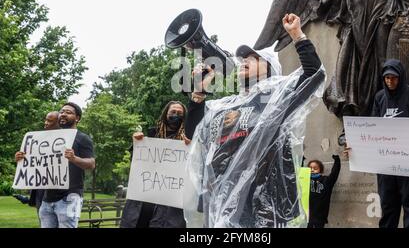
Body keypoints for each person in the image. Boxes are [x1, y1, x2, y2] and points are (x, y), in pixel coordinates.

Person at [184, 13, 326, 228]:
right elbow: (193, 132)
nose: (244, 62)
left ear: (270, 68)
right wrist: (199, 93)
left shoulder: (278, 99)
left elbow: (314, 75)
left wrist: (297, 35)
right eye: (242, 59)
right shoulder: (227, 105)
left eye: (253, 58)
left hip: (264, 206)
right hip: (221, 203)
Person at [344, 59, 409, 228]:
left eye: (393, 77)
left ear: (400, 76)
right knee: (387, 207)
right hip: (386, 165)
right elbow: (372, 129)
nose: (390, 81)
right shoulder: (379, 97)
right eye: (386, 78)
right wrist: (355, 148)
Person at [120, 101, 190, 228]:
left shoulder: (188, 140)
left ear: (184, 117)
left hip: (170, 204)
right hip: (144, 200)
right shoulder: (151, 135)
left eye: (180, 113)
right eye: (172, 112)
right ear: (165, 114)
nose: (176, 115)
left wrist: (191, 146)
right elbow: (136, 164)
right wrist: (137, 144)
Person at [36, 102, 95, 228]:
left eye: (68, 112)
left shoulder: (82, 138)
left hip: (69, 197)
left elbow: (91, 164)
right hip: (47, 199)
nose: (63, 114)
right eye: (62, 112)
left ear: (77, 118)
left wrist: (74, 158)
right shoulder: (49, 138)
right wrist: (22, 158)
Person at [14, 111, 61, 224]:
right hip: (41, 193)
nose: (45, 123)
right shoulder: (37, 141)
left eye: (50, 121)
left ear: (59, 123)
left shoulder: (67, 140)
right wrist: (20, 158)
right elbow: (30, 164)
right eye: (46, 120)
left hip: (61, 194)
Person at [306, 155, 341, 228]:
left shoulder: (326, 180)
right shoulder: (304, 181)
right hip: (306, 216)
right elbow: (296, 172)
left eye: (315, 168)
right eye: (310, 168)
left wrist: (337, 160)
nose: (312, 170)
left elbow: (334, 174)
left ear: (320, 170)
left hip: (320, 217)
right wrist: (300, 160)